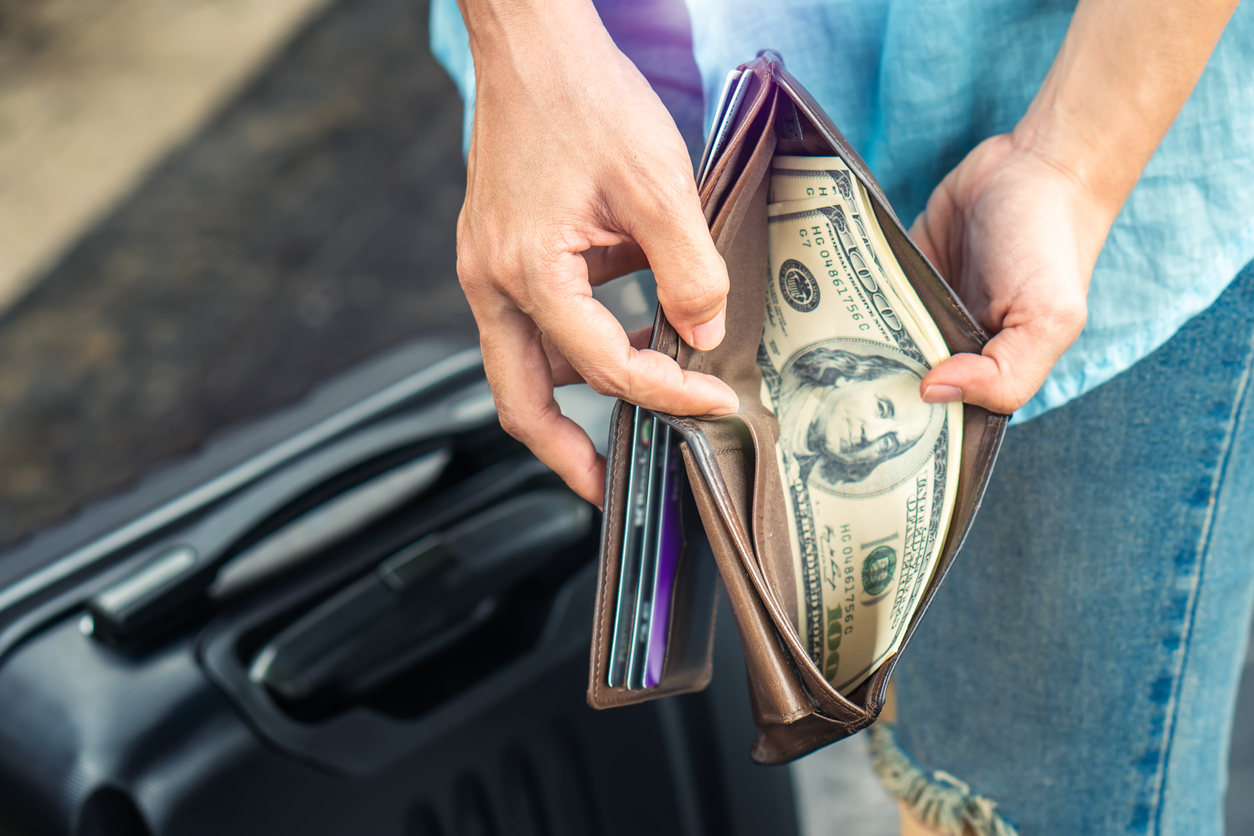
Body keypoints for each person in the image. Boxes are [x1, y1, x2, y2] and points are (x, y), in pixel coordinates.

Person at [432, 0, 1254, 833]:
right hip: (646, 76)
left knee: (1019, 801)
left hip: (1102, 96)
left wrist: (1074, 164)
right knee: (935, 755)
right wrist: (528, 43)